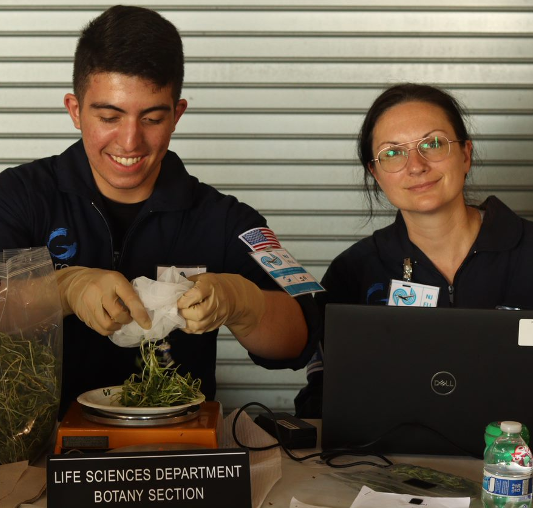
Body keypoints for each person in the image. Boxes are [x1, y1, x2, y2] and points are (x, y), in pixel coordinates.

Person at [0, 5, 320, 418]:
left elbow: (300, 339)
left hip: (176, 454)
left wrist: (245, 303)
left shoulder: (222, 219)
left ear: (177, 115)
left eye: (151, 118)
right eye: (109, 117)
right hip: (39, 453)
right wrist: (61, 289)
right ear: (75, 110)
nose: (130, 141)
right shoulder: (20, 195)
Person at [295, 82, 533, 418]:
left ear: (465, 154)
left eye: (433, 143)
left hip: (513, 463)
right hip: (392, 466)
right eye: (392, 153)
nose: (416, 165)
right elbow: (324, 398)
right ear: (375, 173)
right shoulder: (354, 271)